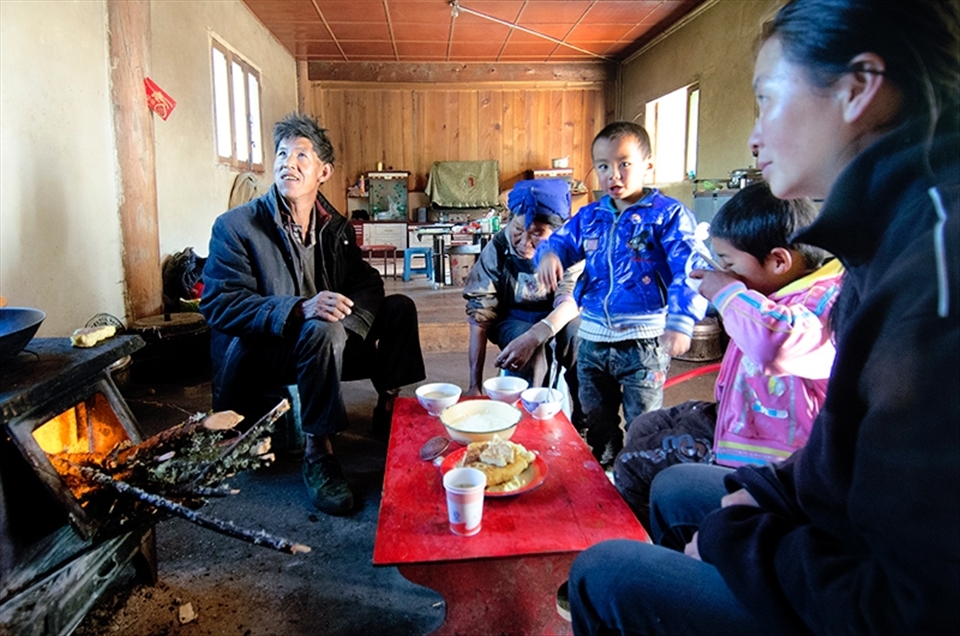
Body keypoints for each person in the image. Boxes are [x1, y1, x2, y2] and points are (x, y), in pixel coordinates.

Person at [567, 0, 959, 633]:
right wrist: (770, 496)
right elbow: (840, 454)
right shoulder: (882, 240)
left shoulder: (936, 282)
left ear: (859, 89)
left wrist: (741, 543)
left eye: (768, 99)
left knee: (602, 571)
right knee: (674, 488)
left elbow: (910, 604)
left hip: (865, 601)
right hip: (839, 534)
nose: (754, 136)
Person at [200, 113, 426, 516]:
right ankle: (318, 451)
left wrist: (348, 325)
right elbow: (220, 304)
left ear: (324, 171)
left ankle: (388, 407)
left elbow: (368, 284)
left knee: (398, 308)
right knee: (320, 328)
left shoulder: (334, 228)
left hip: (327, 345)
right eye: (283, 153)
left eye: (302, 155)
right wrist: (300, 309)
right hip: (268, 352)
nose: (289, 162)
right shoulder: (237, 227)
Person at [613, 181, 843, 530]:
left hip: (771, 455)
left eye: (729, 261)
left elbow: (774, 345)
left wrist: (729, 292)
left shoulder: (825, 303)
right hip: (734, 417)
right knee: (646, 424)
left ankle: (661, 541)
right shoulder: (775, 290)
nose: (725, 272)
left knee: (633, 463)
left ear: (779, 261)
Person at [536, 122, 709, 466]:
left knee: (643, 424)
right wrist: (550, 254)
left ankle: (637, 481)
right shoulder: (590, 216)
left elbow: (691, 267)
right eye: (602, 166)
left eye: (624, 163)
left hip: (644, 345)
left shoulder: (668, 215)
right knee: (596, 418)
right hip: (594, 341)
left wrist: (682, 319)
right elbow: (561, 241)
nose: (613, 174)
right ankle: (607, 476)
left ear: (648, 166)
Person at [463, 179, 584, 420]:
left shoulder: (570, 248)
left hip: (557, 316)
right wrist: (474, 386)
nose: (523, 243)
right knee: (531, 349)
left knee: (578, 335)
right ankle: (529, 420)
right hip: (512, 318)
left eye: (538, 235)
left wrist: (538, 332)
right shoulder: (497, 248)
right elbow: (480, 317)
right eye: (517, 231)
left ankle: (585, 416)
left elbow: (569, 301)